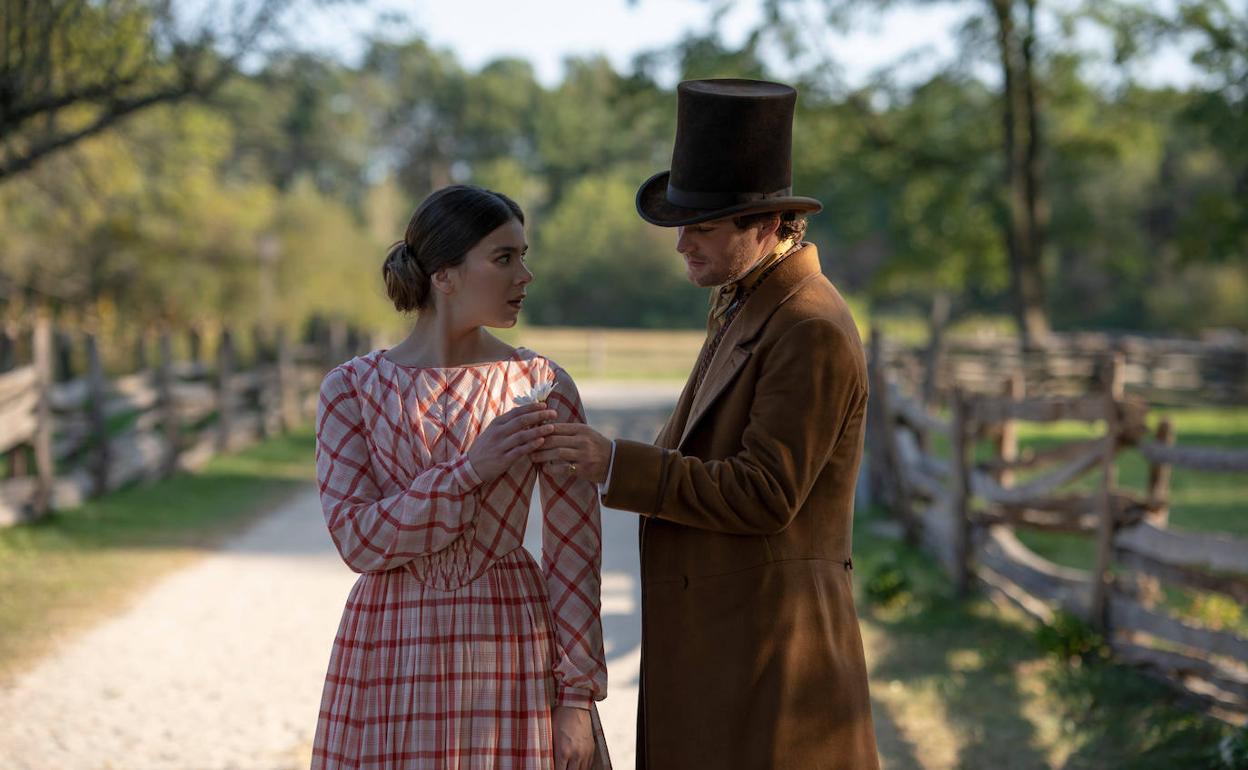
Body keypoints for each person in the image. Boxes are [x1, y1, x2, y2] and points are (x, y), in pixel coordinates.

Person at [534, 79, 881, 769]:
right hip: (734, 647)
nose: (681, 244)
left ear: (765, 224)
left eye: (703, 227)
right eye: (682, 224)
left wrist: (614, 463)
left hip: (774, 658)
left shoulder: (808, 325)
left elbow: (764, 493)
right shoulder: (748, 301)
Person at [311, 184, 610, 770]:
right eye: (504, 258)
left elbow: (575, 552)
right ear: (443, 275)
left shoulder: (541, 385)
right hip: (391, 645)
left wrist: (577, 697)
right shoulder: (350, 389)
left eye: (523, 255)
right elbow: (357, 540)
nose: (525, 275)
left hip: (509, 638)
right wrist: (470, 470)